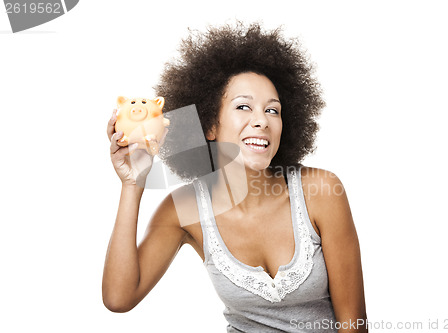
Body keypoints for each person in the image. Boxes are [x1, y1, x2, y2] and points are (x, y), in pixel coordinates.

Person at [103, 22, 368, 333]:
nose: (261, 121)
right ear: (209, 126)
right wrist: (133, 185)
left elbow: (354, 324)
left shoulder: (321, 191)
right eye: (244, 107)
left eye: (273, 110)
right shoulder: (186, 209)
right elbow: (119, 298)